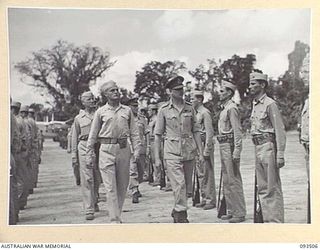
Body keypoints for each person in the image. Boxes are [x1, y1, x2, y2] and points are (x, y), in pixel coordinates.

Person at [86, 80, 141, 223]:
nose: (116, 92)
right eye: (112, 90)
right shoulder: (100, 112)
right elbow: (93, 134)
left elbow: (134, 132)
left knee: (122, 186)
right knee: (110, 187)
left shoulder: (127, 110)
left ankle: (117, 213)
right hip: (106, 150)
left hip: (123, 149)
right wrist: (89, 153)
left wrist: (137, 150)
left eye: (117, 89)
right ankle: (114, 219)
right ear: (105, 95)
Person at [154, 75, 203, 223]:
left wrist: (200, 152)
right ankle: (182, 214)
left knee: (187, 186)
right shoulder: (163, 110)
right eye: (177, 90)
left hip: (188, 151)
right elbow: (157, 135)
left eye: (182, 89)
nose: (180, 92)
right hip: (172, 152)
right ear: (170, 91)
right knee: (179, 184)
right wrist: (157, 158)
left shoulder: (189, 108)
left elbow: (196, 131)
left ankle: (176, 209)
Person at [249, 72, 286, 223]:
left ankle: (275, 222)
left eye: (253, 84)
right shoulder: (255, 104)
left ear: (262, 85)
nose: (250, 86)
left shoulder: (270, 104)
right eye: (250, 84)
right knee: (262, 187)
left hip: (268, 147)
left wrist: (280, 153)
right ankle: (267, 219)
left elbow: (279, 129)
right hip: (258, 147)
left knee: (272, 187)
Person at [217, 80, 246, 223]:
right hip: (223, 145)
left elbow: (237, 131)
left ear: (229, 93)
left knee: (233, 179)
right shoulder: (224, 108)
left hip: (229, 145)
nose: (219, 93)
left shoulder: (232, 108)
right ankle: (230, 209)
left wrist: (237, 150)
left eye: (222, 91)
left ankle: (239, 212)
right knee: (227, 180)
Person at [72, 91, 101, 220]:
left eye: (93, 99)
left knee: (97, 176)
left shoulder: (99, 115)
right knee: (87, 177)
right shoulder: (79, 118)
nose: (92, 101)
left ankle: (94, 200)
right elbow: (74, 136)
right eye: (89, 99)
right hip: (84, 147)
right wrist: (74, 154)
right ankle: (88, 208)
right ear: (83, 102)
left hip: (99, 146)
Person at [191, 90, 217, 210]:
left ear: (200, 100)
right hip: (197, 144)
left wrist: (207, 149)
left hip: (204, 143)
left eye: (193, 98)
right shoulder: (195, 113)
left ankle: (211, 199)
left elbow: (209, 132)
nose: (191, 101)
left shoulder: (205, 113)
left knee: (207, 173)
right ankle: (204, 197)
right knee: (200, 173)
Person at [127, 97, 145, 203]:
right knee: (132, 169)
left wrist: (146, 147)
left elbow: (146, 132)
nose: (136, 108)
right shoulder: (126, 119)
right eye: (133, 106)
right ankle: (134, 190)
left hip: (141, 146)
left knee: (141, 169)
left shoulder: (142, 118)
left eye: (136, 106)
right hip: (131, 147)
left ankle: (137, 186)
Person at [147, 103, 161, 186]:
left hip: (155, 141)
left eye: (149, 110)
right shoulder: (151, 120)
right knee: (152, 160)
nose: (148, 112)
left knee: (157, 160)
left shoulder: (156, 119)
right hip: (151, 141)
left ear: (153, 111)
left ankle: (158, 179)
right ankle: (156, 177)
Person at [28, 108, 39, 189]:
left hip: (30, 146)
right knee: (33, 167)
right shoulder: (34, 122)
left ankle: (30, 186)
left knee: (28, 168)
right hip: (34, 146)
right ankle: (33, 184)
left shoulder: (27, 121)